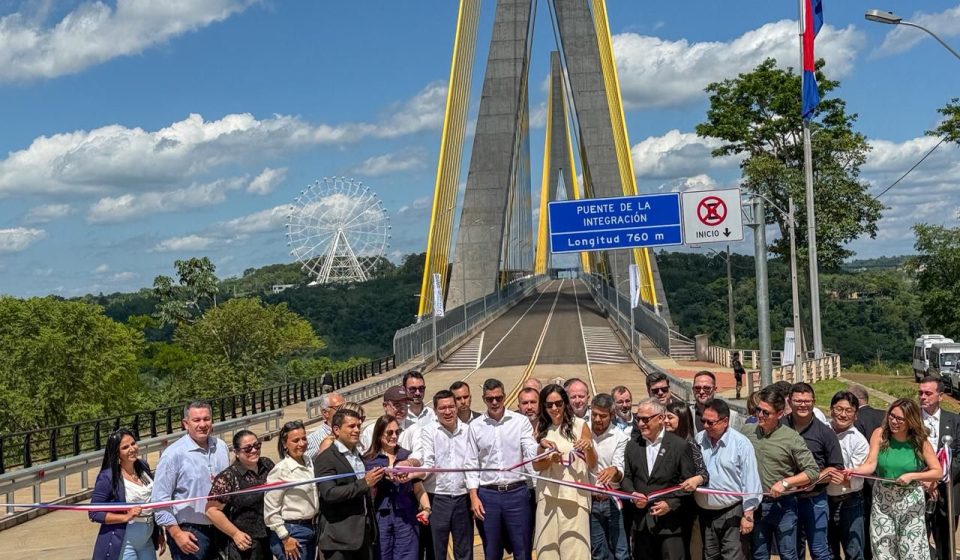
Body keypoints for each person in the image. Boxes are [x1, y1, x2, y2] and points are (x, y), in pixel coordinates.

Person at [848, 398, 943, 560]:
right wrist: (854, 471)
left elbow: (938, 472)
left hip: (910, 500)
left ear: (910, 421)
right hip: (882, 499)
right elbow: (870, 464)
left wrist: (913, 476)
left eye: (900, 419)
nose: (893, 421)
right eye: (891, 416)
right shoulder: (880, 434)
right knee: (883, 548)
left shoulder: (920, 441)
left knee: (911, 550)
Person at [465, 378, 539, 560]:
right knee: (492, 552)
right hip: (488, 496)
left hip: (517, 494)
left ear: (504, 397)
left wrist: (541, 449)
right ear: (484, 399)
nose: (494, 402)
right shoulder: (475, 427)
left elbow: (530, 452)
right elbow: (471, 463)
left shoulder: (520, 422)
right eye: (490, 399)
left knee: (523, 550)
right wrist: (473, 497)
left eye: (498, 398)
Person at [742, 387, 819, 560]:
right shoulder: (747, 431)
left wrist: (786, 483)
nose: (760, 415)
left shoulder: (791, 438)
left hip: (783, 505)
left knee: (788, 554)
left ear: (780, 414)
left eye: (766, 413)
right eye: (758, 410)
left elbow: (813, 471)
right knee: (759, 554)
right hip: (756, 505)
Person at [152, 401, 229, 560]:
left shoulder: (221, 447)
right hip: (190, 533)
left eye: (206, 419)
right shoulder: (173, 455)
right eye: (196, 420)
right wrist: (176, 533)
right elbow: (159, 501)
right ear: (186, 424)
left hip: (222, 528)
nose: (202, 424)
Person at [621, 398, 696, 560]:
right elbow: (626, 477)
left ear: (660, 418)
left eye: (646, 419)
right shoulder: (632, 446)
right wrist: (633, 494)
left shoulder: (679, 446)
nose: (641, 424)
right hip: (642, 525)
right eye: (639, 419)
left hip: (670, 526)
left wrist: (671, 504)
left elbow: (688, 483)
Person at [532, 384, 597, 560]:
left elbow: (592, 463)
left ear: (565, 403)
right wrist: (550, 460)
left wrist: (588, 447)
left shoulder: (580, 425)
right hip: (548, 497)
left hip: (574, 496)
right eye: (549, 405)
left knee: (575, 551)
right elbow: (536, 466)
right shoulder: (542, 428)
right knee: (547, 550)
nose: (554, 408)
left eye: (558, 403)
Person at [782, 382, 844, 560]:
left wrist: (812, 480)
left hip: (815, 499)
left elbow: (836, 467)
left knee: (819, 550)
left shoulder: (825, 432)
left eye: (807, 401)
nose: (803, 405)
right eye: (798, 401)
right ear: (789, 402)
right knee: (789, 552)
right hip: (785, 499)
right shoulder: (779, 427)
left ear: (813, 402)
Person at [695, 398, 762, 560]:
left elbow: (750, 481)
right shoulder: (699, 439)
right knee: (710, 556)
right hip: (705, 514)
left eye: (710, 422)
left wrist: (748, 515)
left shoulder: (741, 444)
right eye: (703, 421)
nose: (705, 426)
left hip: (732, 513)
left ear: (725, 421)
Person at [317, 409, 385, 560]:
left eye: (358, 426)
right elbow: (329, 493)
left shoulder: (357, 456)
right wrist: (364, 483)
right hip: (339, 540)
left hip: (363, 535)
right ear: (336, 430)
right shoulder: (326, 458)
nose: (357, 430)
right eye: (351, 426)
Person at [364, 414, 431, 560]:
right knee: (381, 555)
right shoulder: (368, 460)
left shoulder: (406, 457)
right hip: (380, 518)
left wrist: (426, 509)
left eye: (397, 432)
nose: (394, 436)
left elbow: (419, 488)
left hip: (406, 517)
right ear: (379, 434)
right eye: (389, 432)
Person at [91, 428, 165, 560]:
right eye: (125, 447)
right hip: (124, 542)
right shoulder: (107, 476)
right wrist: (126, 517)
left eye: (133, 443)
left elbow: (152, 502)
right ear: (117, 453)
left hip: (147, 539)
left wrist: (159, 532)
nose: (132, 449)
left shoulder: (143, 466)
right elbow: (94, 513)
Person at [420, 390, 474, 560]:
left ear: (457, 407)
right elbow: (428, 462)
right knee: (436, 551)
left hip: (462, 498)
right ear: (435, 411)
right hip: (437, 499)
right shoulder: (428, 431)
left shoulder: (468, 431)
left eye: (451, 406)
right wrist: (413, 474)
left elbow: (473, 464)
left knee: (464, 551)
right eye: (442, 408)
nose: (448, 411)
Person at [207, 430, 275, 560]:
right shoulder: (228, 477)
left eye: (257, 446)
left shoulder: (267, 465)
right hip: (245, 543)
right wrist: (235, 534)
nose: (254, 450)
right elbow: (211, 511)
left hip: (269, 536)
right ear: (236, 452)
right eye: (248, 448)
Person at [917, 376, 960, 560]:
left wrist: (938, 478)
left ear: (940, 396)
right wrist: (923, 479)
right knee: (916, 541)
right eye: (920, 393)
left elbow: (958, 456)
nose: (923, 397)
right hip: (917, 489)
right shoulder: (911, 420)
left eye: (928, 393)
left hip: (947, 491)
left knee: (945, 542)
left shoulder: (955, 420)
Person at [263, 421, 318, 560]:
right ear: (284, 444)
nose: (302, 443)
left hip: (311, 528)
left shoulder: (309, 462)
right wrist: (285, 537)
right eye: (295, 440)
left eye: (304, 438)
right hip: (292, 532)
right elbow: (271, 510)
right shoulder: (281, 470)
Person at [826, 391, 869, 560]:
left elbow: (856, 474)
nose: (843, 414)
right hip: (823, 500)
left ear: (856, 415)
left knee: (854, 551)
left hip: (849, 502)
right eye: (839, 409)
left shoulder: (859, 441)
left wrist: (841, 477)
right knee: (827, 552)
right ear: (831, 410)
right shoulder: (822, 431)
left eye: (848, 410)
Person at [664, 400, 709, 560]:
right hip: (668, 508)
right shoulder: (664, 443)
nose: (665, 421)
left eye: (670, 417)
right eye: (664, 417)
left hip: (686, 508)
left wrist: (697, 478)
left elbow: (703, 472)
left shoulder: (690, 444)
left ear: (682, 419)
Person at [588, 393, 631, 560]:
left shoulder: (621, 437)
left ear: (612, 415)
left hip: (612, 502)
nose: (597, 419)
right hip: (590, 502)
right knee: (598, 553)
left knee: (621, 551)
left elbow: (619, 470)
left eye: (603, 416)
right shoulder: (583, 431)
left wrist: (614, 471)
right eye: (594, 414)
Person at [848, 384, 885, 560]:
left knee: (865, 523)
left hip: (864, 478)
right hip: (883, 477)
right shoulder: (884, 415)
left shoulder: (857, 420)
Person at [362, 386, 409, 450]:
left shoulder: (414, 429)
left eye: (405, 404)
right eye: (397, 405)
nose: (402, 410)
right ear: (385, 406)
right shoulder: (370, 431)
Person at [306, 392, 345, 459]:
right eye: (339, 408)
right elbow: (306, 463)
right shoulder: (313, 440)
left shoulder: (353, 431)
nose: (345, 410)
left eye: (346, 406)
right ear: (325, 413)